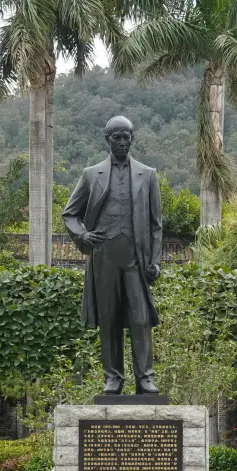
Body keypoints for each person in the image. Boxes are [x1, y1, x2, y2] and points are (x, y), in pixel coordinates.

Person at [62, 116, 163, 395]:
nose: (122, 142)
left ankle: (145, 377)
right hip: (104, 258)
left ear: (132, 138)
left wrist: (155, 260)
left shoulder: (148, 174)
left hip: (136, 259)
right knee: (109, 318)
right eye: (116, 137)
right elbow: (70, 214)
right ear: (107, 139)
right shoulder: (91, 174)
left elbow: (156, 224)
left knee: (140, 318)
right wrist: (83, 236)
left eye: (126, 137)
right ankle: (113, 378)